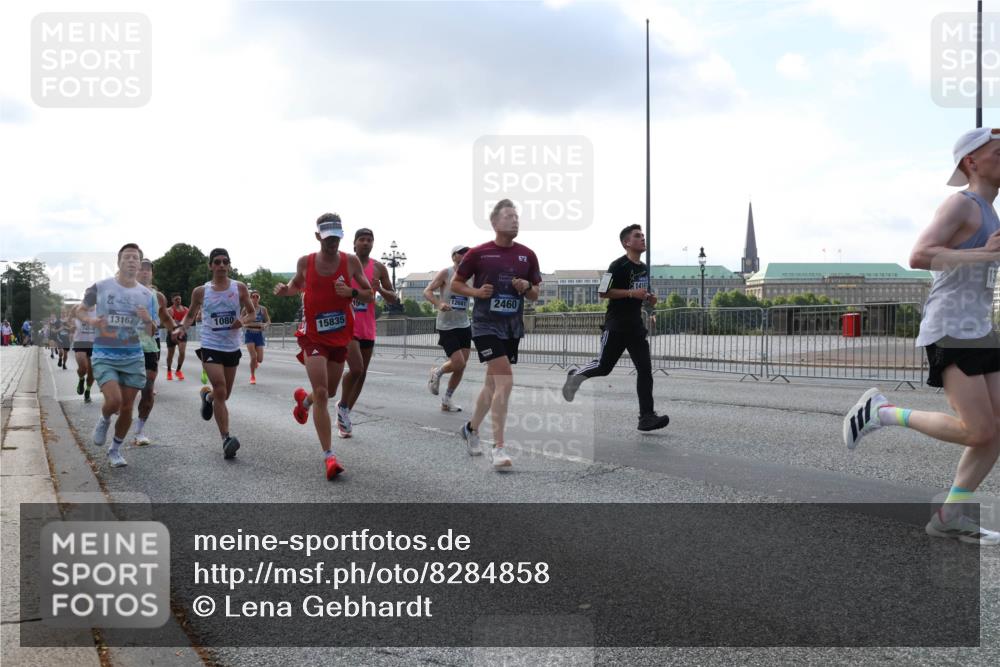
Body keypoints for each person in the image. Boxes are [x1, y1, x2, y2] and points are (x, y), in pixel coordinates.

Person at [843, 127, 1000, 545]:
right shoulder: (961, 203)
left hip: (981, 327)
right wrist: (985, 253)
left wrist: (987, 257)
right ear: (972, 162)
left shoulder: (989, 210)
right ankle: (882, 412)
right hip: (951, 325)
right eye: (999, 153)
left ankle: (951, 515)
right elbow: (919, 255)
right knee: (978, 430)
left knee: (996, 428)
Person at [274, 213, 373, 479]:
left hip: (340, 335)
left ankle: (303, 402)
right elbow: (297, 284)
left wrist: (351, 293)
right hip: (313, 335)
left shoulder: (350, 262)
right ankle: (329, 457)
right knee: (321, 391)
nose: (333, 242)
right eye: (328, 237)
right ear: (318, 236)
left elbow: (369, 294)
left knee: (328, 392)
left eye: (337, 237)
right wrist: (286, 289)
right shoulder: (305, 262)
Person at [451, 199, 541, 470]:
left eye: (517, 216)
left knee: (491, 385)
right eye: (509, 216)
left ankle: (470, 428)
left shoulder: (527, 254)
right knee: (505, 381)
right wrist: (477, 293)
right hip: (484, 325)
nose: (515, 220)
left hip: (511, 327)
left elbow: (535, 293)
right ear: (494, 223)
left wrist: (526, 287)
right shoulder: (478, 253)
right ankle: (498, 448)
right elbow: (456, 284)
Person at [561, 225, 670, 432]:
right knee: (603, 367)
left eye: (643, 236)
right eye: (638, 236)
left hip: (636, 327)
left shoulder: (644, 268)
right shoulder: (617, 265)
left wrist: (649, 299)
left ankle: (646, 417)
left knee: (645, 370)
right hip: (616, 325)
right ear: (626, 243)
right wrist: (631, 293)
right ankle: (575, 375)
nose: (642, 239)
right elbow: (602, 292)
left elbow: (642, 292)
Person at [82, 243, 159, 468]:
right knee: (114, 402)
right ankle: (104, 418)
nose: (132, 261)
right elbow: (80, 310)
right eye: (127, 257)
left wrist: (147, 320)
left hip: (133, 355)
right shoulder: (102, 286)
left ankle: (115, 450)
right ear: (119, 262)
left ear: (140, 263)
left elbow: (151, 331)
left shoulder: (147, 295)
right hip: (105, 353)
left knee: (127, 408)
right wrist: (92, 320)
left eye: (135, 257)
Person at [175, 249, 254, 459]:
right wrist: (181, 328)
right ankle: (226, 439)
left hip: (231, 346)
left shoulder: (240, 288)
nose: (220, 265)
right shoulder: (201, 291)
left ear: (229, 265)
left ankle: (207, 397)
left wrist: (243, 321)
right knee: (220, 388)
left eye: (224, 262)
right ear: (210, 266)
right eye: (216, 262)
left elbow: (252, 312)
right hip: (210, 345)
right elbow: (190, 314)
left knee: (224, 394)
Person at [336, 228, 397, 437]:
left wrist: (380, 290)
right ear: (354, 243)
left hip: (367, 326)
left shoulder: (378, 268)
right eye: (361, 239)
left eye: (369, 240)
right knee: (356, 369)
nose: (365, 243)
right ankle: (343, 405)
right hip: (347, 324)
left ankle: (344, 414)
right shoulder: (344, 264)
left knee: (361, 374)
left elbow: (393, 298)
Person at [424, 245, 473, 412]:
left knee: (462, 365)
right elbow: (427, 291)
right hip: (446, 325)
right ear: (454, 257)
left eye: (468, 253)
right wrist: (439, 304)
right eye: (462, 253)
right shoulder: (446, 272)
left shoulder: (471, 275)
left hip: (464, 324)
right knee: (457, 362)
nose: (466, 255)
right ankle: (437, 372)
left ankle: (447, 400)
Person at [134, 259, 177, 446]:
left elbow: (165, 317)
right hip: (126, 347)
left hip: (150, 345)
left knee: (148, 391)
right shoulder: (123, 292)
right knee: (124, 395)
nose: (144, 272)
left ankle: (139, 431)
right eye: (140, 269)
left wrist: (176, 330)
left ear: (152, 273)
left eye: (148, 270)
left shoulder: (157, 296)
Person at [70, 302, 97, 402]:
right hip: (80, 342)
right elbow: (69, 319)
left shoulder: (100, 310)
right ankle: (81, 379)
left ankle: (88, 390)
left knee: (92, 372)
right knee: (83, 368)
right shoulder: (78, 308)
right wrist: (72, 324)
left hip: (94, 343)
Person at [243, 290, 271, 385]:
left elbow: (268, 321)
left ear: (259, 298)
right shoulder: (246, 309)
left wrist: (265, 325)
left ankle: (255, 362)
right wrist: (249, 324)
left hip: (259, 335)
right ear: (250, 298)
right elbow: (241, 321)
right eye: (253, 296)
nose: (255, 298)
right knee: (253, 357)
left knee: (260, 359)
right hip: (249, 333)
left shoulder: (263, 309)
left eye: (257, 297)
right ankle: (252, 376)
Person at [166, 294, 190, 381]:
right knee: (170, 354)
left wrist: (184, 328)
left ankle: (178, 370)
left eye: (179, 299)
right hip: (172, 334)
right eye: (176, 299)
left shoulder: (186, 309)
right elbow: (166, 323)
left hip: (182, 334)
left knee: (182, 352)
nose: (178, 301)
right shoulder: (169, 310)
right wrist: (172, 332)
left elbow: (189, 321)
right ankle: (169, 371)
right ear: (172, 300)